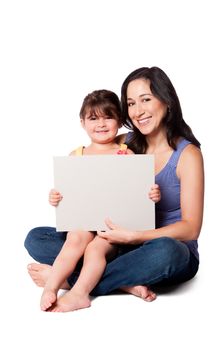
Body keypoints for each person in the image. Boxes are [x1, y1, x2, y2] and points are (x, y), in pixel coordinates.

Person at [25, 66, 204, 304]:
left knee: (169, 253)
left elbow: (191, 229)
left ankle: (71, 282)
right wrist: (64, 194)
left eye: (146, 99)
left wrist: (135, 236)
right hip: (113, 242)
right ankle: (123, 281)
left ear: (166, 101)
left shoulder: (187, 154)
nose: (138, 111)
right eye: (130, 104)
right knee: (36, 238)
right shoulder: (122, 143)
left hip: (158, 247)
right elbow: (87, 174)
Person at [36, 89, 160, 312]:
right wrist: (56, 197)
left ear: (120, 121)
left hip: (113, 229)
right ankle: (51, 287)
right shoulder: (77, 156)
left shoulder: (125, 153)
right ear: (83, 122)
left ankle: (80, 293)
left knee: (94, 250)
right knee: (73, 240)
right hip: (83, 223)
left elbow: (139, 193)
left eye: (108, 117)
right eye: (93, 118)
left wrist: (152, 195)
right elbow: (68, 194)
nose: (101, 124)